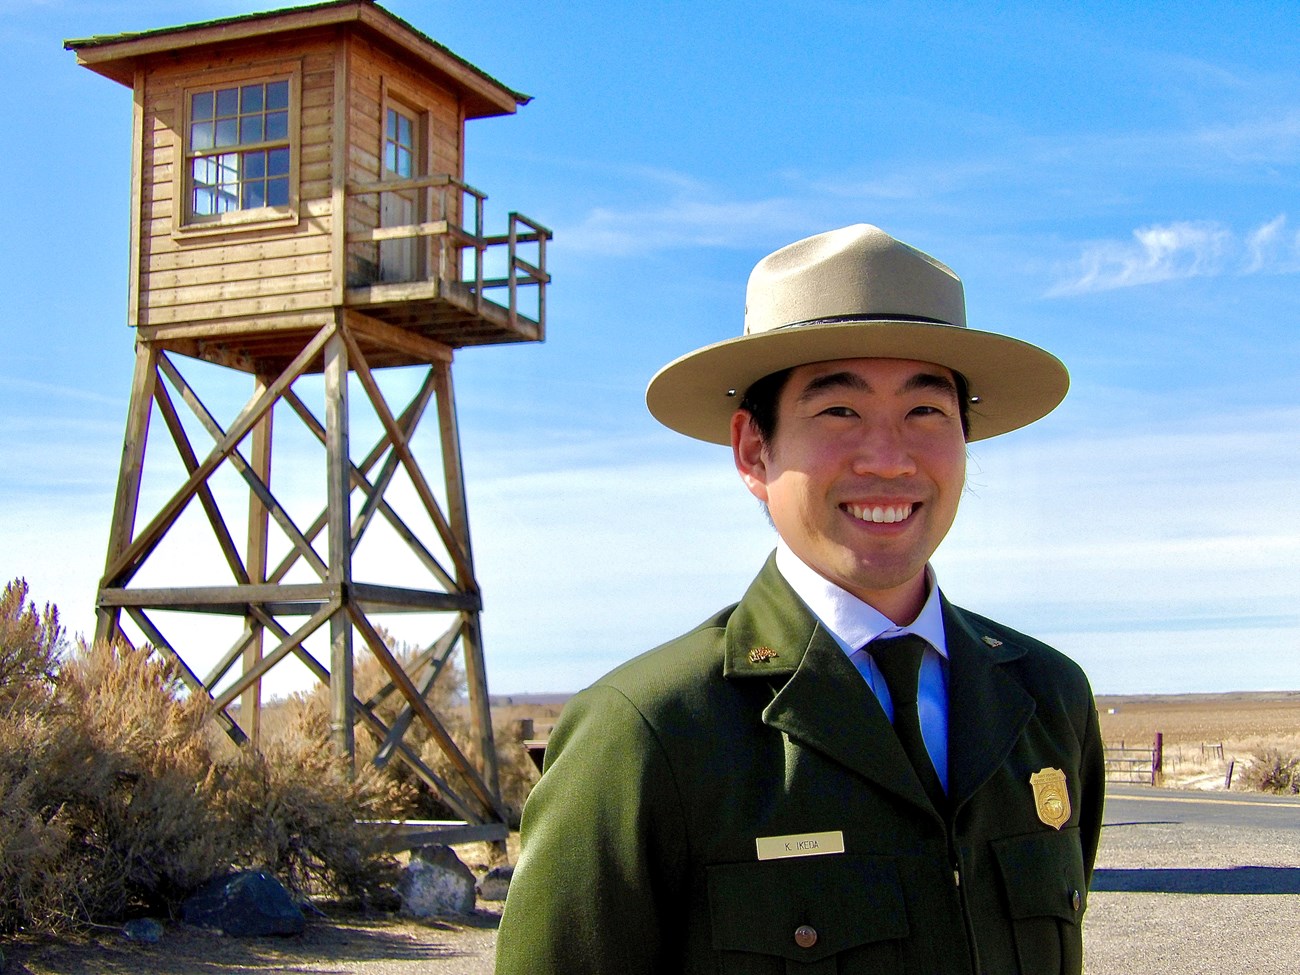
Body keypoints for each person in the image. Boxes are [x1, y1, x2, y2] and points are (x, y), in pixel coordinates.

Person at [495, 224, 1105, 975]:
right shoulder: (648, 733)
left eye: (926, 412)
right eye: (839, 412)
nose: (889, 458)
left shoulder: (1046, 700)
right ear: (754, 450)